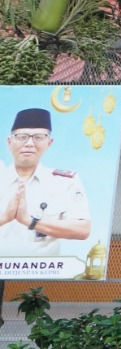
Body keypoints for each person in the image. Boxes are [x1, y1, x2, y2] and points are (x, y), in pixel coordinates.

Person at [0, 107, 92, 255]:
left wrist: (30, 221)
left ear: (49, 143)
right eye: (22, 137)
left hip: (41, 268)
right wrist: (4, 218)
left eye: (38, 137)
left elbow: (82, 229)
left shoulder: (64, 182)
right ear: (9, 142)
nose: (29, 143)